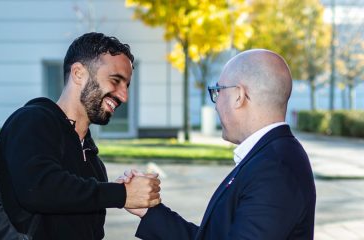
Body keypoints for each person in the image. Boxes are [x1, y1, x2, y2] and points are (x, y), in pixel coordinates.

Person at [127, 49, 316, 239]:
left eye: (218, 91)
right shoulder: (271, 157)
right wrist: (150, 211)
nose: (216, 104)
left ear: (239, 96)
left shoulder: (274, 169)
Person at [0, 32, 161, 240]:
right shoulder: (32, 121)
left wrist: (119, 189)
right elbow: (38, 188)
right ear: (78, 73)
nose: (123, 96)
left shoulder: (94, 163)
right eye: (115, 80)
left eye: (126, 86)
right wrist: (121, 194)